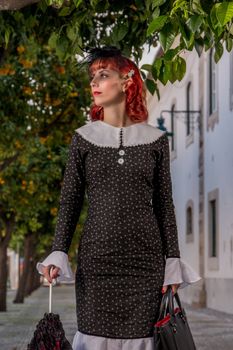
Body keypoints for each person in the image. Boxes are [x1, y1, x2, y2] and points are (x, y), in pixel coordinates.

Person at [37, 46, 201, 350]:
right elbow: (70, 200)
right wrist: (59, 251)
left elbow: (165, 204)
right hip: (97, 262)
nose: (94, 83)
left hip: (146, 264)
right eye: (92, 77)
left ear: (127, 80)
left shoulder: (156, 140)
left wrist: (173, 260)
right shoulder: (82, 138)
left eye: (103, 75)